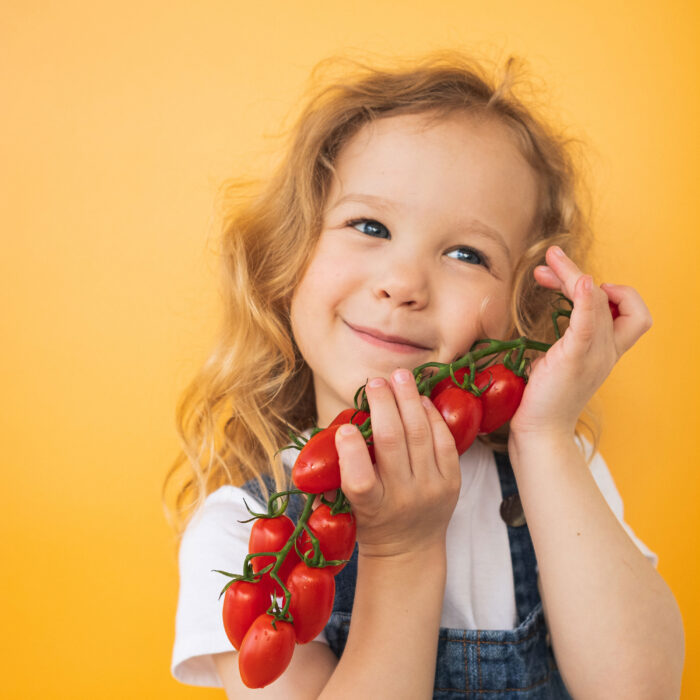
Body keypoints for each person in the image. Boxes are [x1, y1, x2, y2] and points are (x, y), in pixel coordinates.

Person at [164, 51, 685, 698]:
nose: (404, 285)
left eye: (467, 253)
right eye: (369, 225)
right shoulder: (249, 536)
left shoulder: (549, 469)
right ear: (289, 257)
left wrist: (545, 434)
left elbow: (641, 688)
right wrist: (399, 554)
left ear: (517, 308)